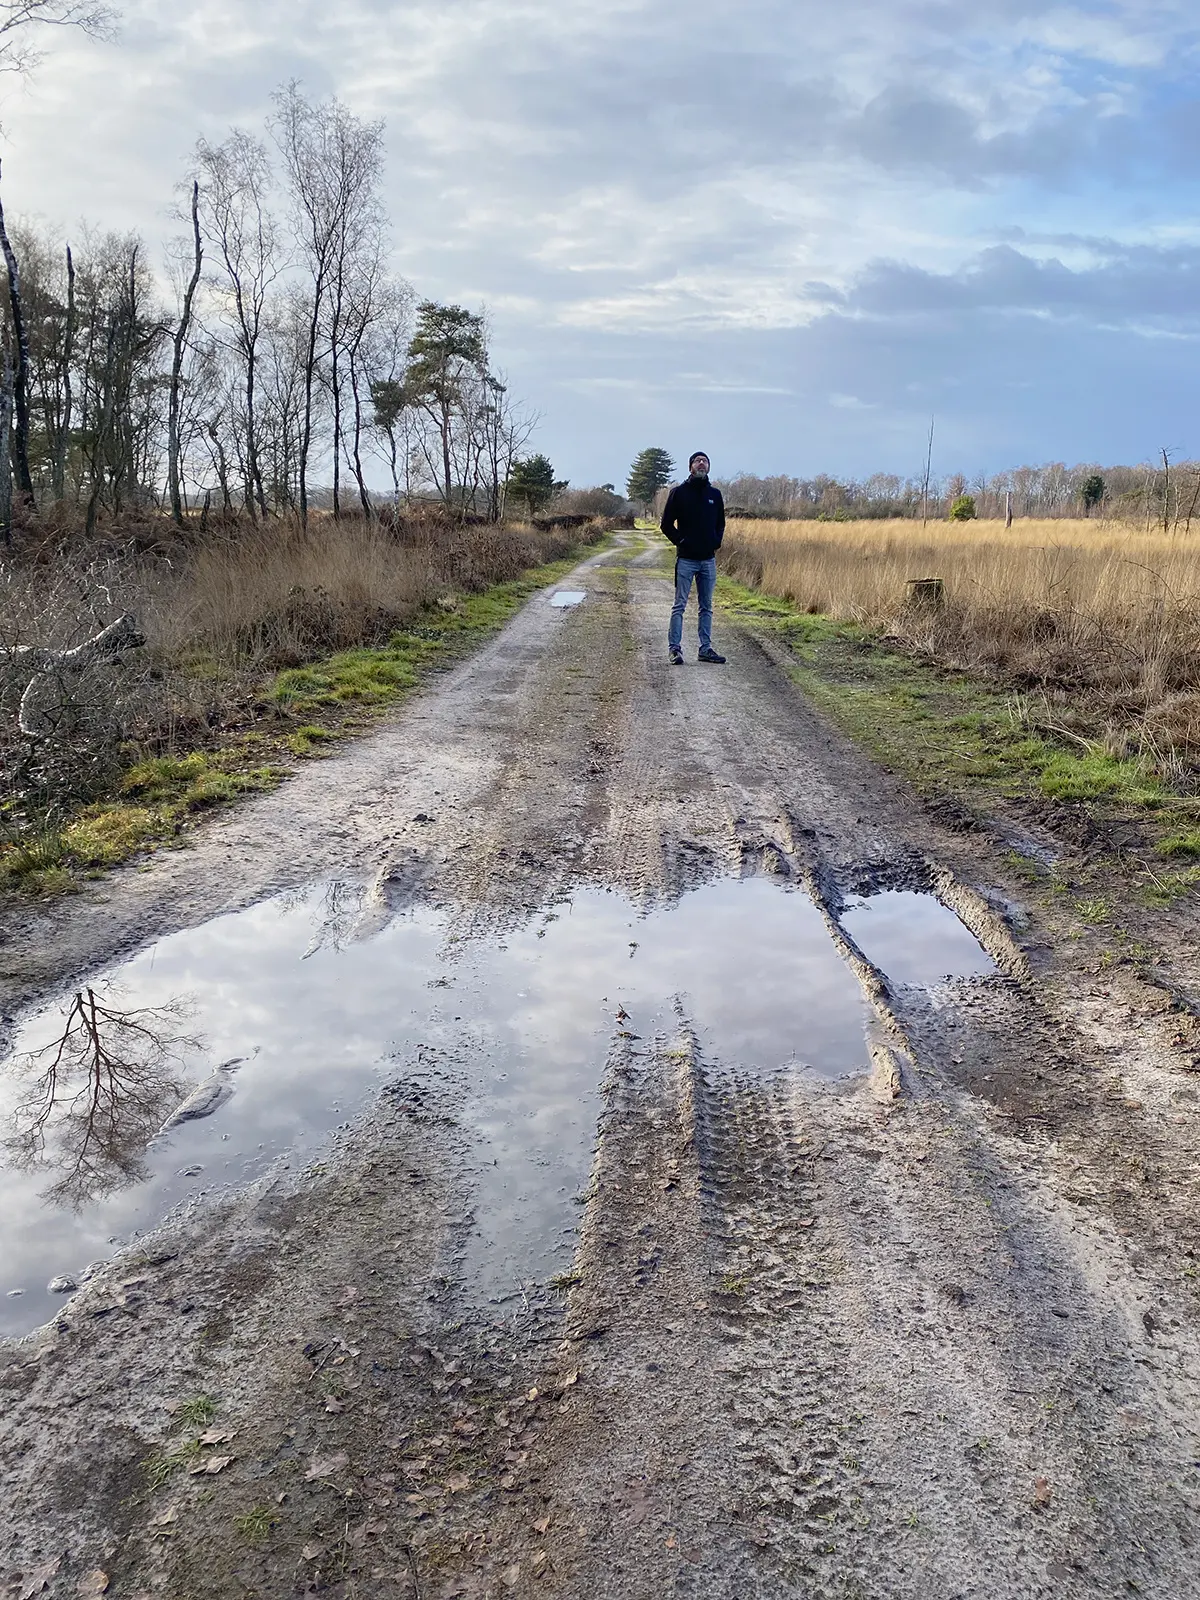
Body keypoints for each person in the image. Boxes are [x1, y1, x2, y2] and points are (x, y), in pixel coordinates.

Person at [660, 451, 726, 665]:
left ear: (708, 467)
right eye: (697, 461)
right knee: (679, 605)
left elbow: (720, 524)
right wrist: (681, 541)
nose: (701, 463)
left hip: (708, 560)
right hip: (686, 560)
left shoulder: (715, 495)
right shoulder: (678, 493)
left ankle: (705, 649)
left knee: (706, 606)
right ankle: (674, 649)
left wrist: (716, 541)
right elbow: (666, 525)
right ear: (690, 467)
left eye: (705, 461)